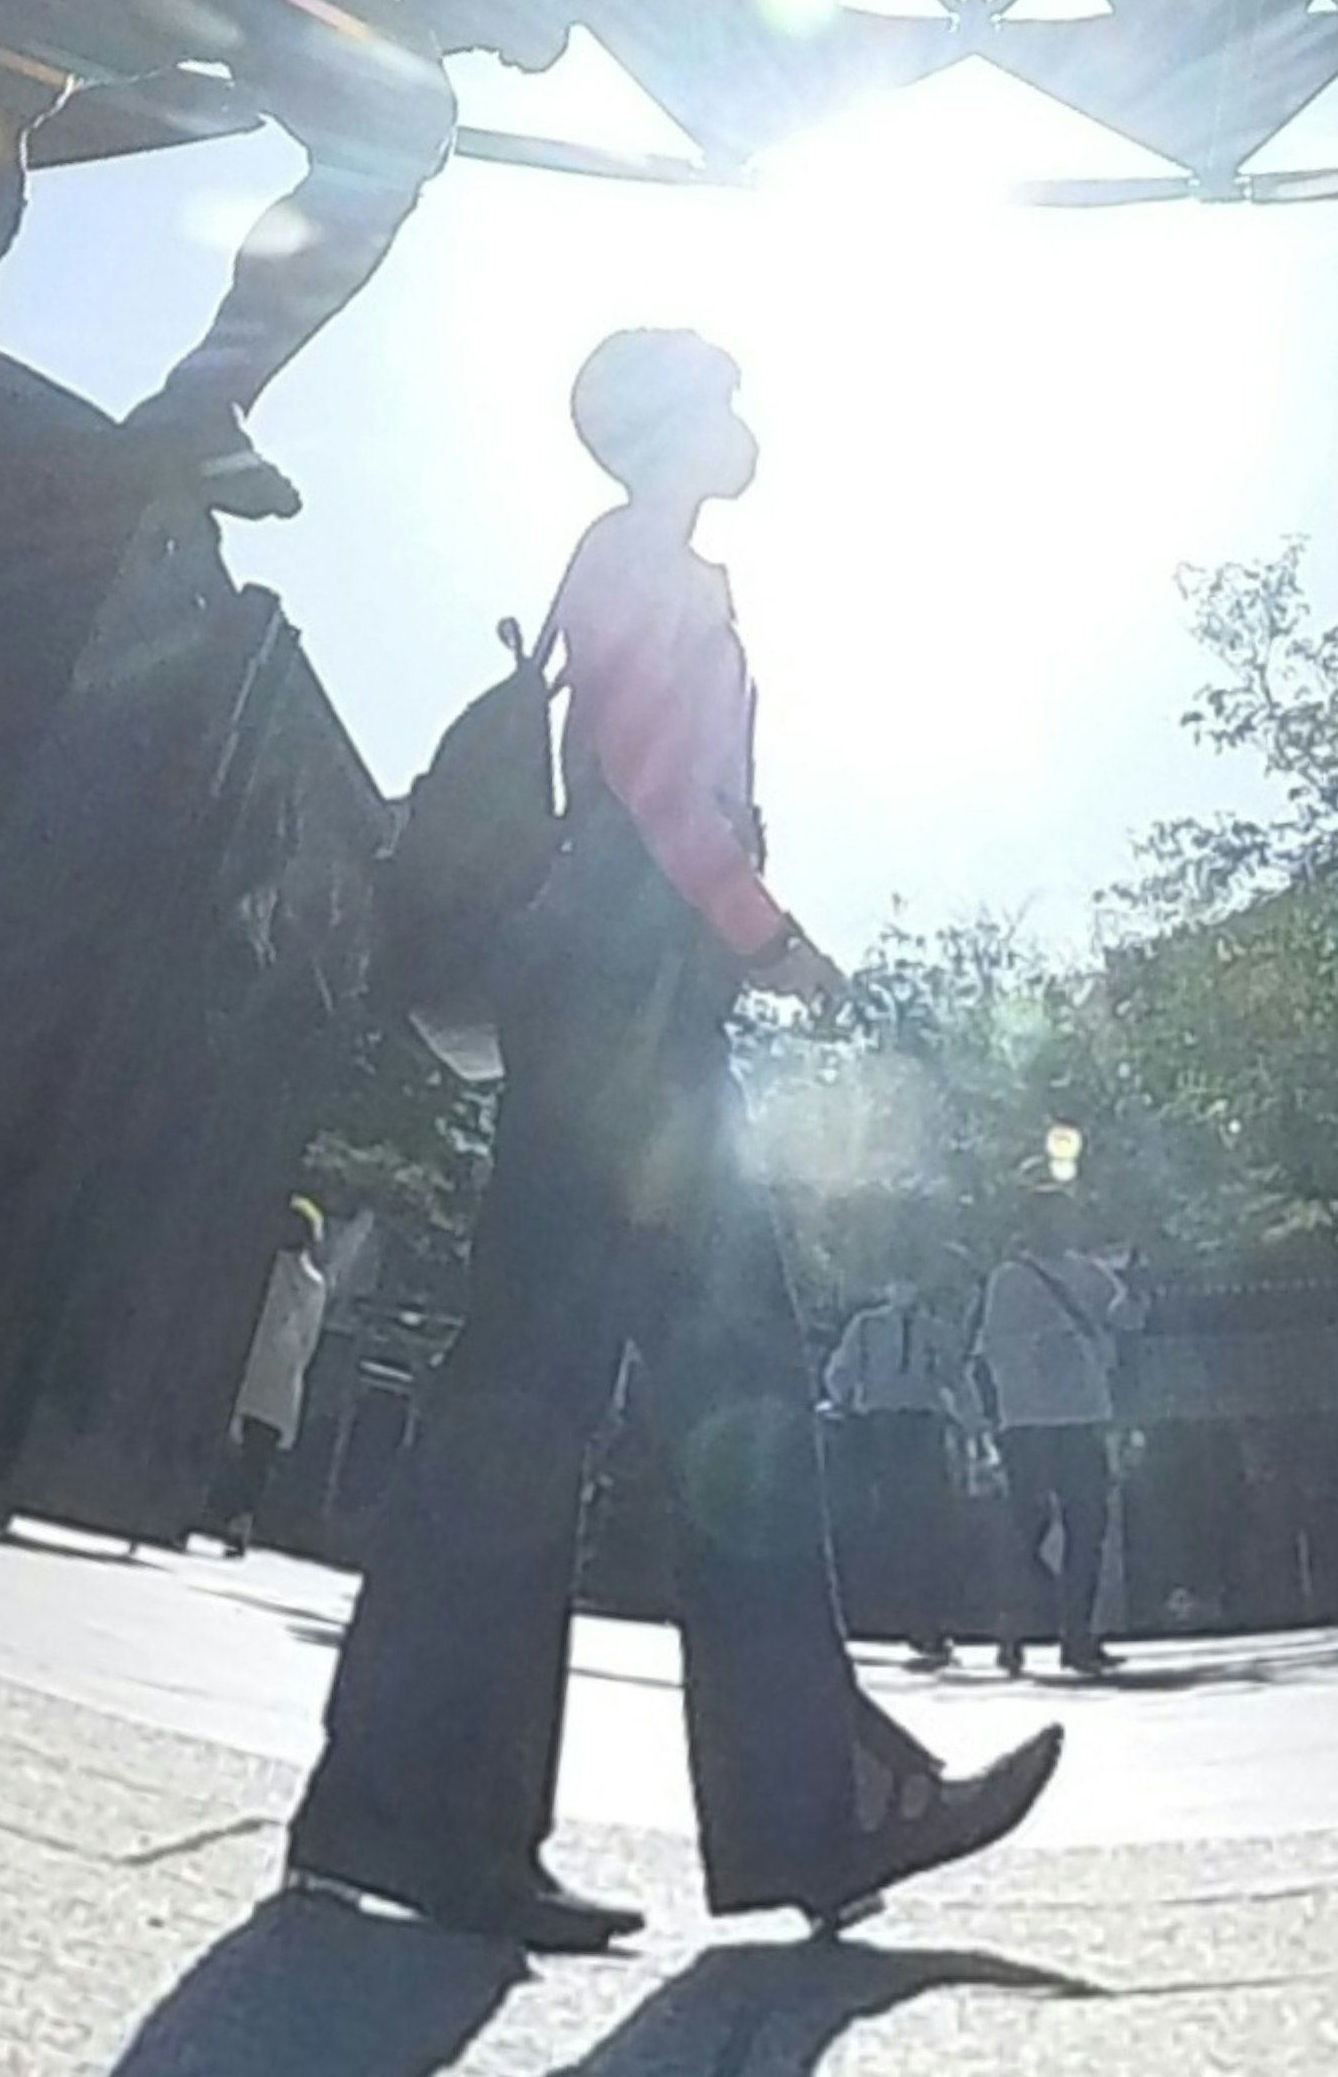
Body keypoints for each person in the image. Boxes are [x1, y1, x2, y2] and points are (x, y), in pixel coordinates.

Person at [283, 327, 1059, 1954]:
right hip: (628, 1009)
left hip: (625, 1010)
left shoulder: (637, 560)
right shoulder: (644, 560)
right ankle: (732, 1801)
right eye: (719, 397)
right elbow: (648, 769)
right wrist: (766, 929)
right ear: (664, 426)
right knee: (641, 1385)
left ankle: (450, 1795)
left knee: (627, 1384)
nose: (744, 418)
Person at [977, 1214, 1137, 1680]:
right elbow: (994, 1346)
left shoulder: (1088, 1271)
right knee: (1028, 1528)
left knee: (1088, 1528)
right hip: (1029, 1419)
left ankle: (1076, 1635)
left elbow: (1127, 1318)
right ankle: (1015, 1627)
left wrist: (1137, 1288)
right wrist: (1041, 1348)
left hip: (1083, 1414)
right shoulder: (1008, 1279)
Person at [820, 1269, 980, 1666]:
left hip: (922, 1425)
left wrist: (972, 1421)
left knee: (928, 1520)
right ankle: (888, 1613)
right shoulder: (868, 1326)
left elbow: (956, 1378)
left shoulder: (937, 1331)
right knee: (888, 1519)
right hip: (881, 1425)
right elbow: (843, 1368)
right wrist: (840, 1401)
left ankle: (927, 1620)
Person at [203, 1197, 333, 1555]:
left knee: (246, 1455)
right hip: (278, 1377)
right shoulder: (314, 1284)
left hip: (256, 1368)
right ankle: (236, 1519)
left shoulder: (270, 1268)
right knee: (255, 1459)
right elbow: (309, 1340)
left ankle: (229, 1517)